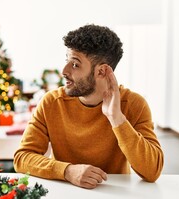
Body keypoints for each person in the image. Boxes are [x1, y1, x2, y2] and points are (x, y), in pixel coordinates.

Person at [14, 24, 164, 189]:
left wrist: (117, 119)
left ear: (101, 72)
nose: (64, 71)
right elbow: (22, 157)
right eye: (67, 61)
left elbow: (152, 171)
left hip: (116, 197)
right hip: (64, 193)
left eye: (75, 64)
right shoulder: (51, 102)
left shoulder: (134, 104)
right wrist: (67, 171)